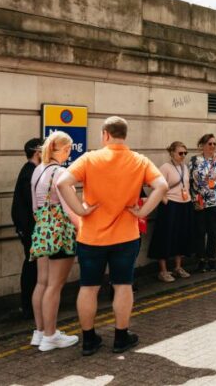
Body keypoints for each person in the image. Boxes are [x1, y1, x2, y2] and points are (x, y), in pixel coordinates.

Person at [57, 116, 168, 356]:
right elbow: (162, 186)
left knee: (88, 287)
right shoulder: (139, 160)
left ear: (105, 134)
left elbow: (62, 183)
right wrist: (143, 212)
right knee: (122, 286)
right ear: (124, 135)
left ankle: (89, 340)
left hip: (91, 237)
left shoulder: (89, 159)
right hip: (126, 236)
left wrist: (80, 211)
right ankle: (120, 337)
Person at [29, 131, 80, 351]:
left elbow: (34, 207)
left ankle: (40, 332)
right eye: (69, 150)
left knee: (42, 283)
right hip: (60, 232)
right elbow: (69, 209)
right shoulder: (60, 172)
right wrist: (81, 228)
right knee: (55, 286)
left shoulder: (37, 170)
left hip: (42, 230)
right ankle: (51, 336)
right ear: (66, 149)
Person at [148, 142, 194, 282]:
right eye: (180, 153)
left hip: (184, 204)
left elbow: (186, 185)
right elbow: (156, 186)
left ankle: (178, 267)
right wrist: (165, 200)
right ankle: (163, 271)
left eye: (185, 153)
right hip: (170, 206)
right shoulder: (165, 167)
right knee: (165, 236)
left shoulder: (184, 167)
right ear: (172, 153)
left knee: (181, 235)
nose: (183, 155)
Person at [11, 137, 42, 320]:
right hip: (31, 228)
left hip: (30, 228)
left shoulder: (31, 170)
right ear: (38, 152)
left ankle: (30, 306)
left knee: (34, 266)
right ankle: (28, 307)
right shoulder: (30, 173)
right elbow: (32, 204)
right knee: (32, 266)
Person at [189, 133, 216, 273]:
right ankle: (201, 261)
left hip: (215, 202)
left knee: (213, 233)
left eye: (214, 144)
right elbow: (189, 181)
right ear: (202, 145)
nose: (212, 146)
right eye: (210, 143)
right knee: (199, 233)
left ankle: (212, 260)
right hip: (199, 203)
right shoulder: (194, 160)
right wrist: (193, 199)